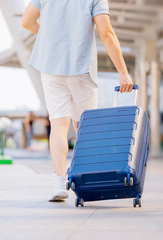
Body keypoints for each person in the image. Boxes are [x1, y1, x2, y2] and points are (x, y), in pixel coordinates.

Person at [22, 0, 133, 201]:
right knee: (83, 126)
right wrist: (123, 73)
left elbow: (27, 22)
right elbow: (106, 33)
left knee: (58, 124)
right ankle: (85, 179)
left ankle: (59, 182)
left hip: (50, 67)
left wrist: (51, 41)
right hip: (81, 68)